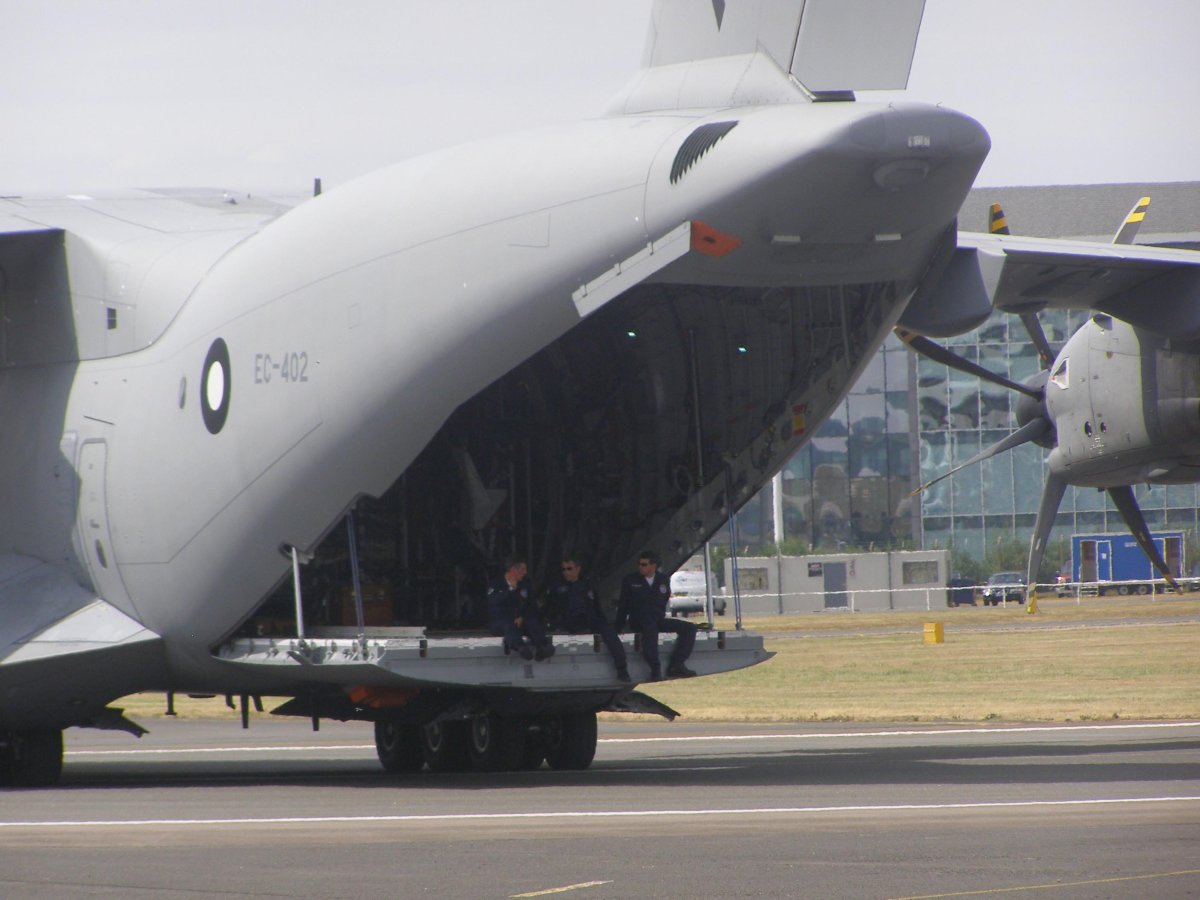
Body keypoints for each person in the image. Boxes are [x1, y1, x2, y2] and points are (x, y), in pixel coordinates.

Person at [615, 549, 697, 681]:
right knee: (650, 626)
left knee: (690, 628)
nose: (640, 567)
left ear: (653, 566)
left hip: (657, 618)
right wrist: (619, 625)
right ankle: (655, 668)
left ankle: (677, 663)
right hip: (639, 619)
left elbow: (663, 600)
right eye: (639, 564)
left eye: (644, 564)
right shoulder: (630, 580)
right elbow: (623, 605)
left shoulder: (663, 580)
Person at [547, 554, 631, 683]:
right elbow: (550, 609)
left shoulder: (588, 584)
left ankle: (622, 669)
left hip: (590, 619)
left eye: (569, 569)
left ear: (578, 569)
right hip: (570, 622)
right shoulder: (558, 587)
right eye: (563, 569)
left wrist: (603, 622)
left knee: (609, 633)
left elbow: (597, 606)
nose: (566, 572)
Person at [486, 556, 554, 661]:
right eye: (522, 570)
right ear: (513, 569)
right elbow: (493, 602)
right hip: (501, 622)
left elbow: (532, 606)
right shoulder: (496, 583)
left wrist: (522, 617)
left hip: (520, 621)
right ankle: (520, 647)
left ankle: (543, 646)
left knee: (532, 623)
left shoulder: (525, 584)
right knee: (508, 624)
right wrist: (510, 589)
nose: (525, 572)